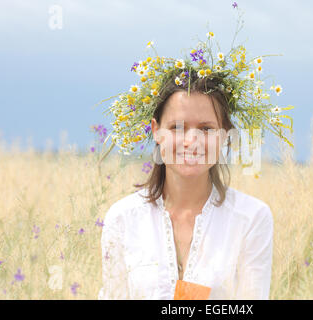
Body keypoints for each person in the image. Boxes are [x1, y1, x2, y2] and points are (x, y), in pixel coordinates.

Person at [97, 70, 274, 300]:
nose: (191, 141)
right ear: (156, 131)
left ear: (224, 135)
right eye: (177, 128)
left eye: (206, 129)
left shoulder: (251, 218)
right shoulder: (123, 218)